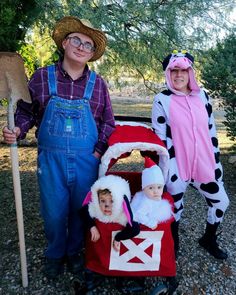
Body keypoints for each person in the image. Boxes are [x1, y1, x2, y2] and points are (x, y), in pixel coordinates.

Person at [2, 16, 115, 278]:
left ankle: (74, 250)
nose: (81, 46)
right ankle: (55, 252)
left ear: (92, 54)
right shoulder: (43, 77)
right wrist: (17, 129)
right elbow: (27, 112)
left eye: (88, 45)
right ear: (64, 43)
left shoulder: (97, 85)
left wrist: (97, 152)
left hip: (87, 160)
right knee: (53, 213)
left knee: (81, 211)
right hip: (50, 161)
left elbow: (108, 123)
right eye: (76, 39)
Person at [152, 50, 230, 260]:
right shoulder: (162, 99)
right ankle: (173, 244)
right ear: (168, 74)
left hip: (205, 161)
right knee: (174, 206)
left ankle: (209, 239)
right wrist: (163, 169)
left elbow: (211, 129)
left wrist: (216, 160)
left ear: (190, 72)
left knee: (221, 201)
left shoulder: (202, 95)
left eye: (183, 70)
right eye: (174, 71)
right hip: (177, 164)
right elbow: (159, 138)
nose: (179, 75)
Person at [80, 174, 140, 293]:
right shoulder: (96, 208)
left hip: (118, 254)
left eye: (112, 201)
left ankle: (121, 279)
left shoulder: (122, 214)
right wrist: (92, 226)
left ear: (120, 201)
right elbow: (82, 211)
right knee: (92, 262)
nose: (107, 205)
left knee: (121, 265)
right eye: (102, 201)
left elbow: (135, 229)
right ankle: (94, 275)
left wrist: (118, 237)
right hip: (99, 251)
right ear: (96, 200)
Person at [131, 157, 173, 229]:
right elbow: (138, 215)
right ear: (144, 189)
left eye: (159, 187)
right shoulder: (145, 203)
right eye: (150, 188)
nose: (155, 191)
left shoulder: (153, 196)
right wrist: (150, 223)